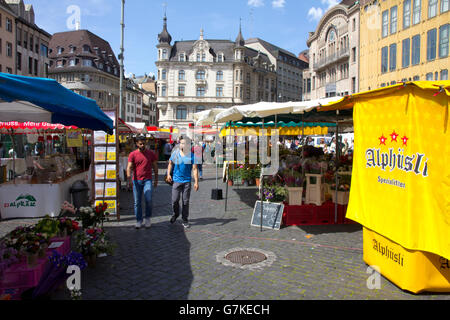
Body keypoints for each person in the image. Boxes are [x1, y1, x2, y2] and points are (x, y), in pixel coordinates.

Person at [166, 136, 199, 228]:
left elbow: (195, 169)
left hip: (187, 181)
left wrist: (196, 182)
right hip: (176, 181)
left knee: (185, 201)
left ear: (188, 145)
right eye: (181, 143)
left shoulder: (192, 156)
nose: (182, 145)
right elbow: (170, 163)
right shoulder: (175, 154)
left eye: (184, 143)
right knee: (175, 200)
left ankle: (185, 219)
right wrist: (168, 174)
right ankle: (176, 214)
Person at [127, 135, 158, 229]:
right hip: (136, 180)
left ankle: (147, 218)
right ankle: (139, 220)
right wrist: (129, 180)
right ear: (137, 144)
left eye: (144, 143)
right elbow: (129, 167)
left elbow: (155, 167)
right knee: (137, 202)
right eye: (140, 143)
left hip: (147, 180)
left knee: (148, 199)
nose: (142, 145)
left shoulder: (151, 153)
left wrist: (156, 179)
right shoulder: (132, 154)